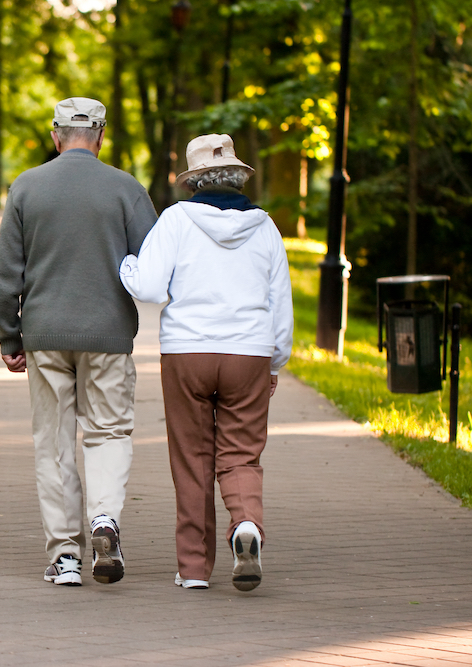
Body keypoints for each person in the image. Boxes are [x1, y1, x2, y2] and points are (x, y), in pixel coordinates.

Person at [0, 97, 158, 586]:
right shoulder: (126, 189)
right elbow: (152, 265)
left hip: (44, 334)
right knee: (108, 433)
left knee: (54, 441)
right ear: (102, 134)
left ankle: (65, 556)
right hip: (107, 335)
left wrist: (8, 334)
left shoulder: (27, 186)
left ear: (55, 135)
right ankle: (105, 520)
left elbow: (7, 273)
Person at [119, 134, 293, 592]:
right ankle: (246, 525)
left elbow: (152, 287)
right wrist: (275, 361)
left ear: (194, 180)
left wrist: (126, 268)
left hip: (188, 352)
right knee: (241, 454)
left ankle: (194, 569)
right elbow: (281, 302)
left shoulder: (176, 220)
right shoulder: (266, 227)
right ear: (238, 177)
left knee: (192, 458)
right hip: (249, 353)